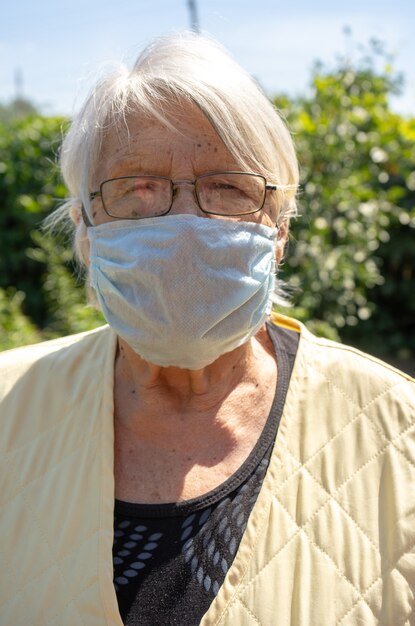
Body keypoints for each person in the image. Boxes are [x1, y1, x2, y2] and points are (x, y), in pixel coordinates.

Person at [0, 32, 414, 626]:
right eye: (137, 187)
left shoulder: (399, 433)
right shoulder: (7, 410)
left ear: (280, 230)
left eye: (228, 187)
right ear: (84, 227)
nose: (187, 225)